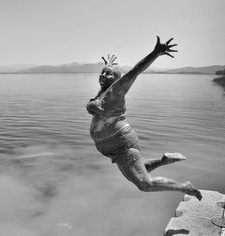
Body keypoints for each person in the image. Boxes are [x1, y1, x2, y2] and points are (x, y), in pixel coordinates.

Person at [86, 36, 202, 201]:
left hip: (122, 143)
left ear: (117, 80)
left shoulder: (116, 89)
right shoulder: (103, 92)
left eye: (108, 73)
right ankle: (164, 160)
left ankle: (185, 187)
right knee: (136, 173)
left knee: (144, 184)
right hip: (114, 150)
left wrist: (155, 53)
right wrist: (109, 66)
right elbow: (101, 94)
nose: (103, 75)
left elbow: (136, 70)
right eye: (102, 72)